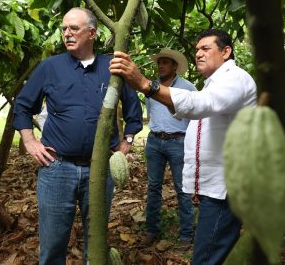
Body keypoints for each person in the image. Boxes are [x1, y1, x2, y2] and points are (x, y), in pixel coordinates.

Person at [109, 29, 257, 265]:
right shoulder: (214, 83)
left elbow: (198, 105)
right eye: (197, 49)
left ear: (226, 52)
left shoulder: (236, 78)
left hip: (226, 190)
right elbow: (199, 125)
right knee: (216, 253)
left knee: (206, 258)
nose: (198, 53)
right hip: (215, 188)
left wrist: (146, 84)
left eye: (206, 48)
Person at [12, 7, 143, 265]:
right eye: (64, 29)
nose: (67, 34)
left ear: (92, 33)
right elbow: (23, 106)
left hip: (99, 169)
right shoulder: (50, 67)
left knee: (95, 243)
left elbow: (133, 109)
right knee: (52, 245)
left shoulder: (112, 68)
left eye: (74, 28)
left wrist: (127, 141)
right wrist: (30, 142)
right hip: (57, 168)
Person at [144, 48, 196, 246]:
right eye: (159, 63)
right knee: (153, 187)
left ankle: (185, 235)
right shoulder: (151, 87)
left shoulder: (187, 87)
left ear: (175, 66)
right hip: (155, 141)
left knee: (182, 189)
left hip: (178, 142)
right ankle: (151, 230)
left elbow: (195, 114)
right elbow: (151, 113)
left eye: (165, 62)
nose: (161, 66)